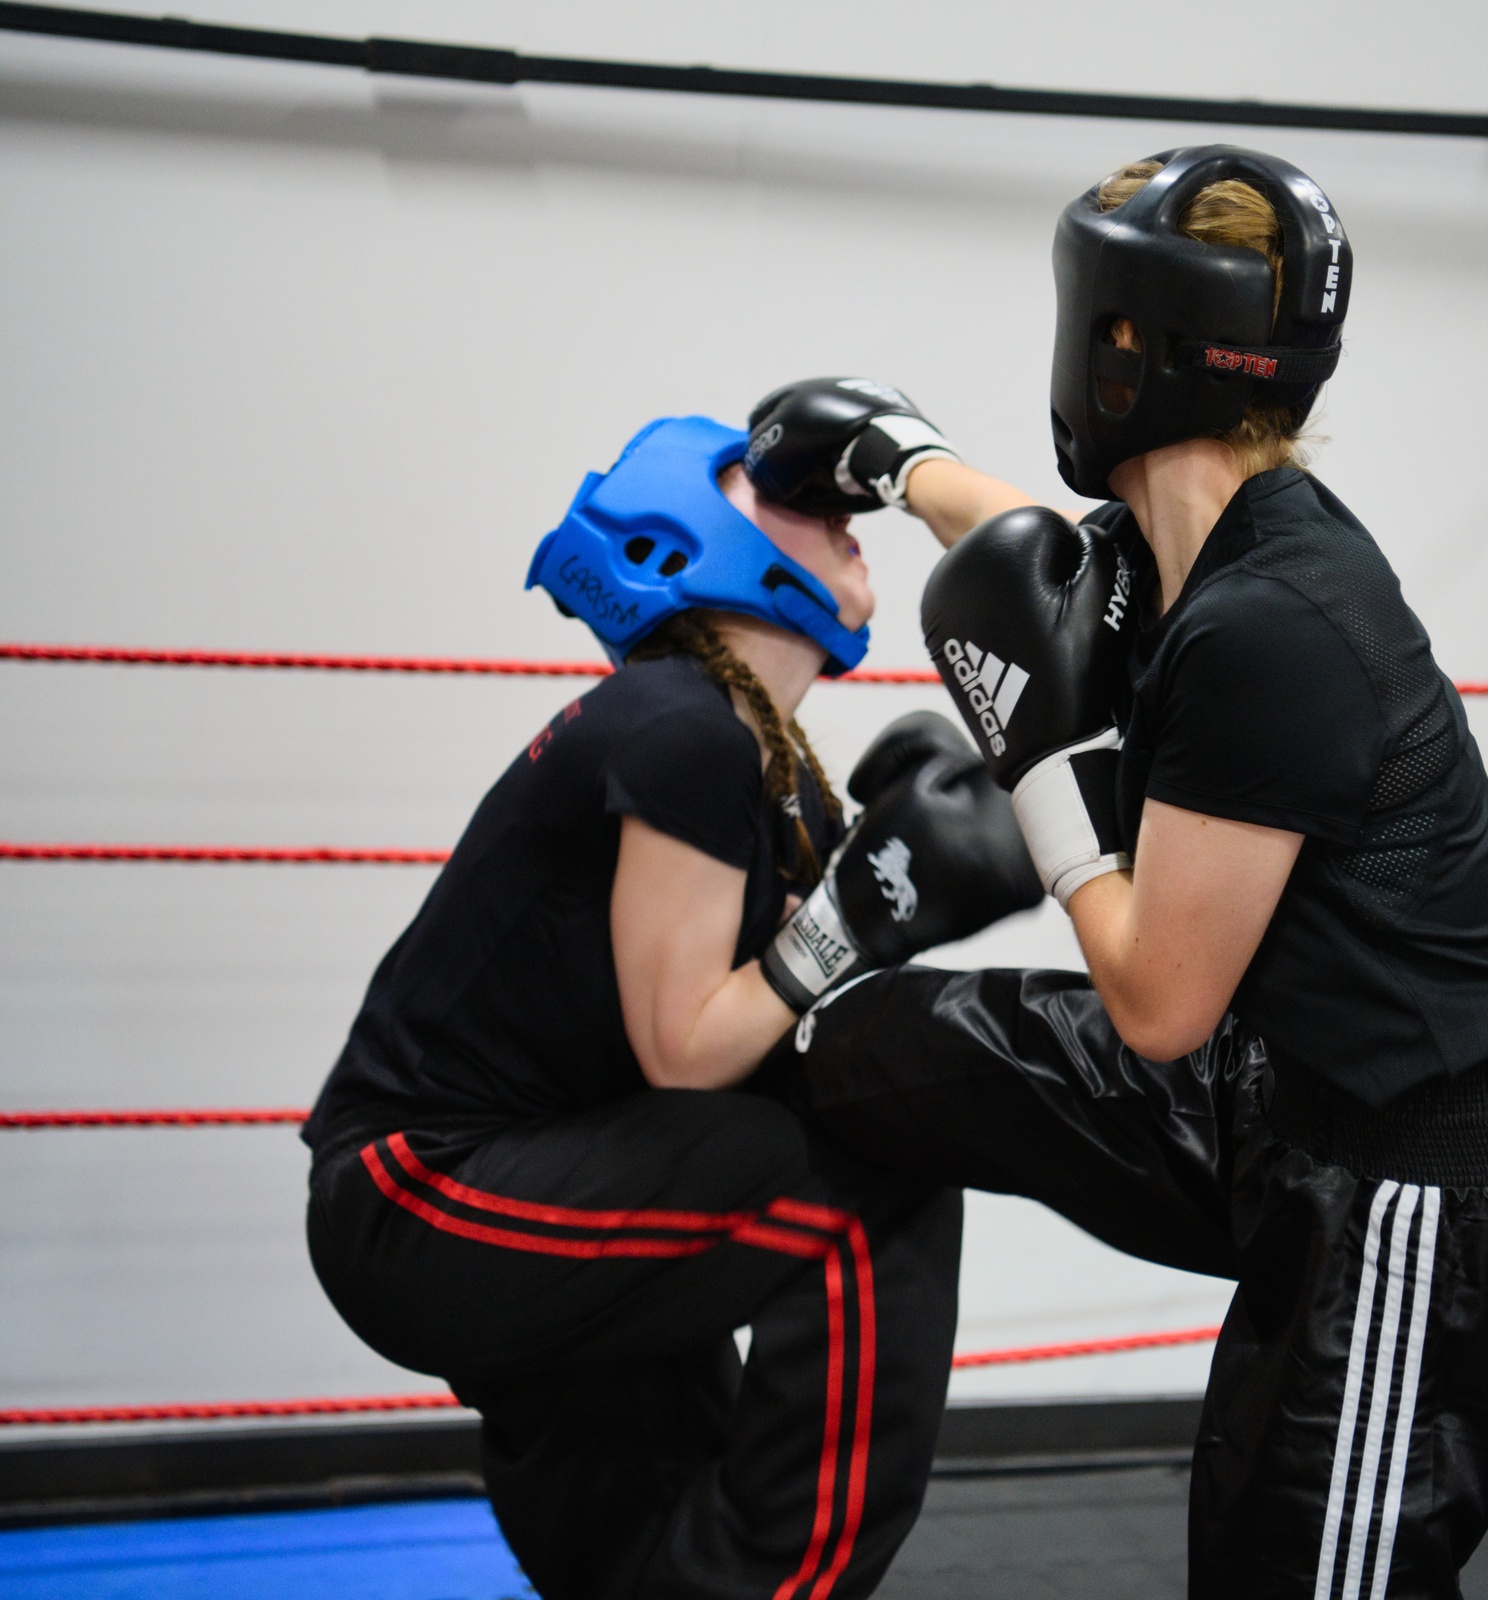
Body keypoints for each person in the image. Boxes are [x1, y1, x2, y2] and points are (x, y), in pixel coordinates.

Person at [778, 146, 1488, 1598]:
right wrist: (896, 459)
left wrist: (1041, 778)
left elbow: (1157, 1006)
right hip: (1287, 1090)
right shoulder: (1211, 538)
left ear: (1121, 340)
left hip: (1425, 1207)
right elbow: (1041, 558)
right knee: (880, 1053)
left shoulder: (1271, 625)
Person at [301, 399, 1043, 1600]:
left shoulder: (761, 765)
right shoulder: (680, 724)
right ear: (686, 539)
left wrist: (883, 880)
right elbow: (690, 1049)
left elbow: (779, 1024)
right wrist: (861, 910)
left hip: (540, 1162)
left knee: (641, 1527)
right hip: (426, 1197)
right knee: (860, 1193)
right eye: (788, 495)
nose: (841, 514)